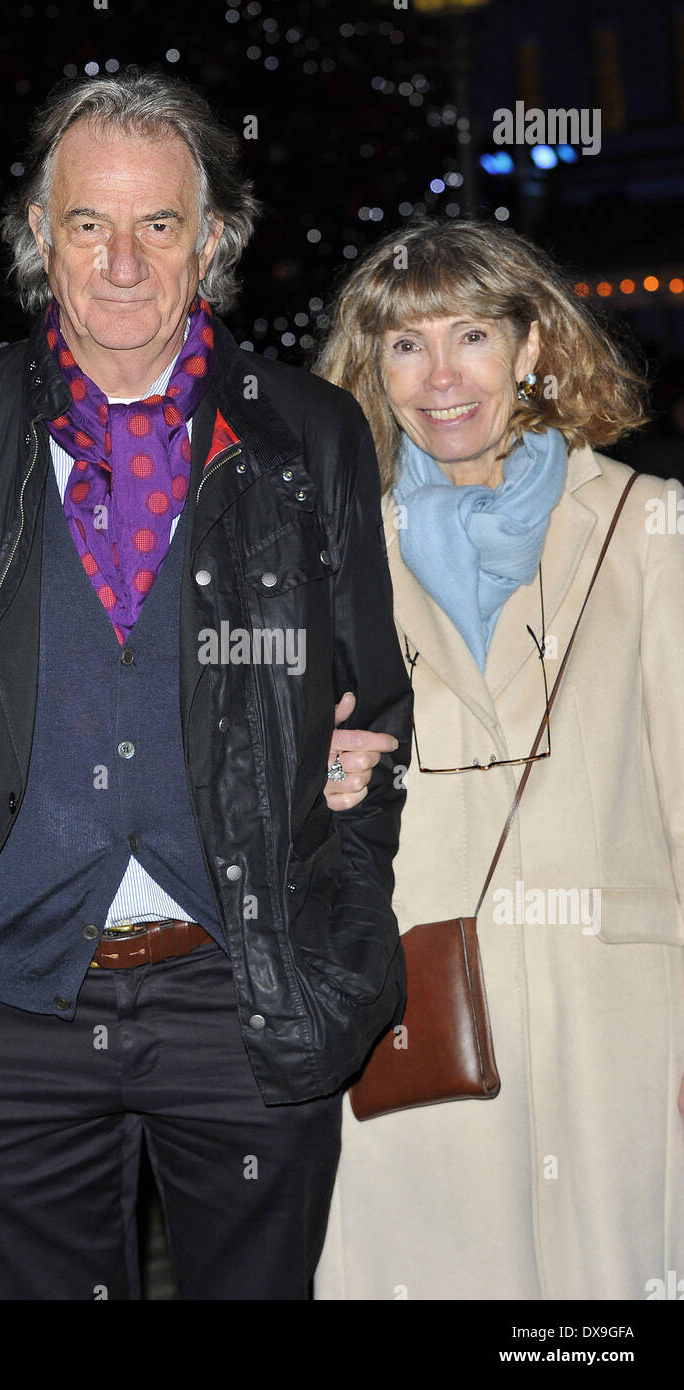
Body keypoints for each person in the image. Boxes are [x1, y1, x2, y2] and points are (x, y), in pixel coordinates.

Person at [0, 69, 412, 1301]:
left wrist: (336, 929)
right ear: (42, 237)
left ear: (216, 239)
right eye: (89, 222)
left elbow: (378, 714)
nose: (124, 262)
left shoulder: (309, 432)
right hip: (2, 1002)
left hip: (246, 986)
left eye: (160, 225)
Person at [315, 218, 684, 1300]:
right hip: (415, 1005)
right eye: (404, 345)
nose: (441, 378)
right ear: (371, 372)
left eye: (471, 334)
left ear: (532, 347)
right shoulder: (331, 549)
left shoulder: (645, 525)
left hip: (616, 1008)